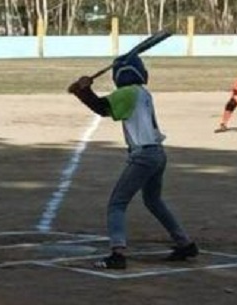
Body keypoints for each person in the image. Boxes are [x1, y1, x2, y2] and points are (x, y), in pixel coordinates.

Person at [67, 55, 198, 269]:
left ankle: (117, 254)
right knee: (153, 201)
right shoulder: (143, 93)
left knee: (117, 203)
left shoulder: (127, 93)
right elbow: (107, 107)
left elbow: (102, 108)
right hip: (157, 154)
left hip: (144, 156)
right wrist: (83, 91)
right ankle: (185, 244)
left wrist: (84, 91)